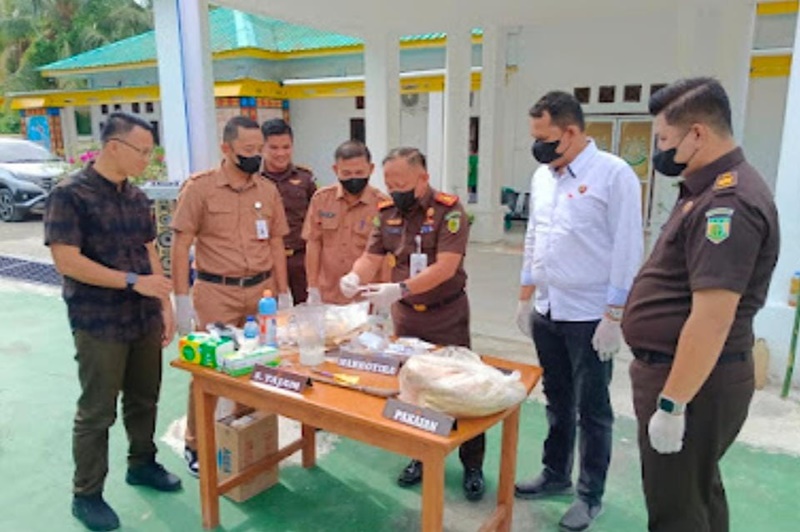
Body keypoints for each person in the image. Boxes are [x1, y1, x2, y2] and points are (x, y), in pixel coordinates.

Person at [621, 77, 779, 532]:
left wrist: (673, 405)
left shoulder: (727, 204)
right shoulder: (705, 190)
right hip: (689, 375)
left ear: (696, 134)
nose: (660, 150)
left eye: (663, 139)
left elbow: (712, 318)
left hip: (694, 382)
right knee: (697, 491)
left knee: (676, 510)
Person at [44, 112, 181, 532]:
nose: (147, 159)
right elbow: (67, 261)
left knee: (144, 397)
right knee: (97, 411)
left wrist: (164, 304)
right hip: (98, 320)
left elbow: (149, 249)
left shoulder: (137, 197)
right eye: (143, 151)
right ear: (114, 147)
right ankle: (86, 494)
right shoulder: (70, 194)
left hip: (142, 316)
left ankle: (142, 463)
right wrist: (133, 282)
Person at [513, 91, 643, 531]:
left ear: (570, 132)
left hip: (590, 315)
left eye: (544, 138)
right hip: (549, 307)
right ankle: (555, 474)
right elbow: (534, 235)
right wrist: (525, 295)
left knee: (592, 409)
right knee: (557, 399)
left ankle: (590, 495)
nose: (538, 147)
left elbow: (628, 247)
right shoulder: (542, 176)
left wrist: (614, 315)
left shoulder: (613, 174)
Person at [339, 147, 486, 501]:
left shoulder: (449, 211)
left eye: (401, 184)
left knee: (459, 387)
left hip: (446, 314)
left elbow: (446, 266)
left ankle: (472, 465)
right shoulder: (387, 212)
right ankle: (419, 456)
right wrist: (353, 276)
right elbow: (370, 256)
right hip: (406, 316)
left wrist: (399, 288)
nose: (395, 190)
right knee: (413, 387)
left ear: (423, 178)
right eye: (389, 184)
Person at [171, 115, 290, 476]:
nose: (256, 156)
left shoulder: (267, 190)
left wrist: (284, 293)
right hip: (216, 293)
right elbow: (181, 244)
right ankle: (196, 443)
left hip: (260, 292)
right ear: (226, 148)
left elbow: (276, 242)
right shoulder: (200, 188)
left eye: (259, 149)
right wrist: (181, 300)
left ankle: (241, 433)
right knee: (209, 369)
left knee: (258, 365)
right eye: (248, 149)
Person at [302, 140, 390, 304]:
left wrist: (384, 290)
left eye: (359, 172)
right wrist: (312, 287)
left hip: (366, 296)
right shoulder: (322, 199)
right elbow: (313, 243)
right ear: (336, 170)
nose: (353, 178)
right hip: (329, 294)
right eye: (347, 173)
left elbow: (387, 254)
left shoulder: (383, 205)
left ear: (371, 169)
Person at [261, 118, 316, 306]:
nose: (281, 153)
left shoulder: (305, 178)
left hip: (300, 258)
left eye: (286, 147)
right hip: (266, 260)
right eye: (274, 148)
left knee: (306, 311)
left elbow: (316, 217)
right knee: (269, 312)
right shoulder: (254, 181)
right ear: (262, 147)